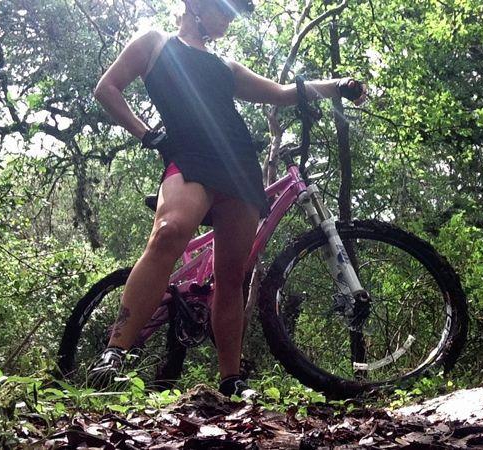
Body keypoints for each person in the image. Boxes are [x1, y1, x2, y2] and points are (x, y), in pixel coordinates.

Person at [90, 0, 366, 398]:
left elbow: (284, 92)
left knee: (231, 276)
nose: (230, 19)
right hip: (188, 157)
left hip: (238, 165)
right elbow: (107, 88)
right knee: (169, 232)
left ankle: (230, 380)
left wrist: (336, 85)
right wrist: (147, 134)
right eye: (226, 9)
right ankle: (114, 352)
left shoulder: (226, 67)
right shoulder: (155, 43)